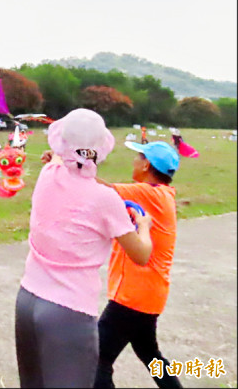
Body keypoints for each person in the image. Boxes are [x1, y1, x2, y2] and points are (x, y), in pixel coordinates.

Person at [15, 109, 153, 388]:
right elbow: (141, 255)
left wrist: (58, 153)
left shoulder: (48, 173)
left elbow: (63, 159)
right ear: (100, 149)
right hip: (68, 311)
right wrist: (145, 226)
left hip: (27, 299)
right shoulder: (105, 199)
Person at [93, 141, 182, 389]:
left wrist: (65, 165)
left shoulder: (151, 192)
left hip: (133, 297)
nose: (133, 161)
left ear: (146, 165)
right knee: (152, 357)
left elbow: (101, 190)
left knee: (95, 360)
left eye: (137, 157)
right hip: (148, 295)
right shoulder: (159, 194)